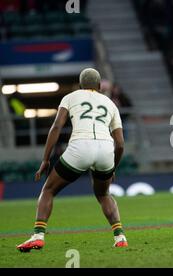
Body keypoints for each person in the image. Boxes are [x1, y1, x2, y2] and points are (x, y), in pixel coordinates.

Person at [16, 68, 128, 252]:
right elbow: (121, 144)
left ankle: (37, 236)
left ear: (80, 84)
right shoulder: (110, 104)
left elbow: (57, 126)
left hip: (80, 147)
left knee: (49, 189)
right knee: (103, 194)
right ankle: (120, 237)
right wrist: (112, 167)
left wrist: (45, 159)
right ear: (99, 86)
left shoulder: (70, 97)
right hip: (106, 149)